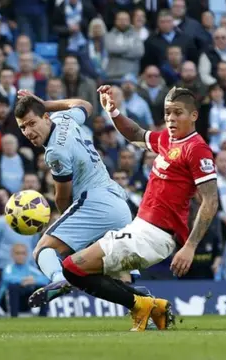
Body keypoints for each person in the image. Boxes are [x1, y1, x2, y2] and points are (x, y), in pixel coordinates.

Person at [57, 85, 219, 332]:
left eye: (178, 113)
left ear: (194, 115)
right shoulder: (167, 139)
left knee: (72, 267)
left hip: (155, 235)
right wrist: (113, 111)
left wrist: (190, 246)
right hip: (139, 227)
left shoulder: (196, 149)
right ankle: (151, 307)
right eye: (167, 114)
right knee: (77, 268)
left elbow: (211, 201)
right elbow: (135, 133)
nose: (171, 119)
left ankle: (142, 305)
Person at [12, 90, 137, 309]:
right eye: (23, 127)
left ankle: (59, 279)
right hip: (118, 203)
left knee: (43, 250)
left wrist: (65, 224)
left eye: (32, 123)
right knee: (117, 273)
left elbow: (62, 197)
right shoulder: (65, 118)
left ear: (45, 118)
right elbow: (84, 104)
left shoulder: (55, 153)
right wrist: (45, 103)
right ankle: (150, 310)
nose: (28, 131)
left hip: (95, 204)